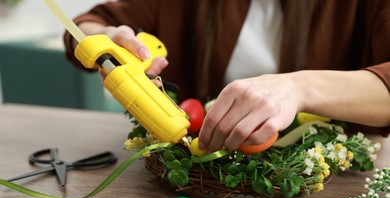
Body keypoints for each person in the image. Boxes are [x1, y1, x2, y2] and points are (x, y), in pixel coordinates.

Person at [64, 0, 390, 152]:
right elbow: (89, 23)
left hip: (338, 186)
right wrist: (107, 39)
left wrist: (298, 87)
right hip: (200, 194)